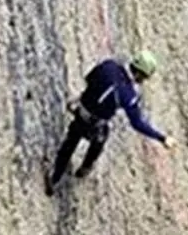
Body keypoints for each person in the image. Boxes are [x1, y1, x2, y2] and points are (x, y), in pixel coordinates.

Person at [45, 49, 177, 195]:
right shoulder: (128, 95)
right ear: (140, 73)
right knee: (100, 140)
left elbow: (89, 78)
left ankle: (54, 178)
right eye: (144, 77)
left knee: (69, 144)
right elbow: (137, 123)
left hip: (81, 111)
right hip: (95, 124)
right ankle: (85, 167)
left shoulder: (109, 65)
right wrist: (162, 137)